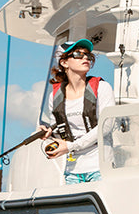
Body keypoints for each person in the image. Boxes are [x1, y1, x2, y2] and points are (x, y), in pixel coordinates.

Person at [40, 38, 115, 184]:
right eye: (78, 54)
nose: (85, 57)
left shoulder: (102, 87)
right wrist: (48, 134)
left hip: (100, 168)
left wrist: (72, 146)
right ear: (64, 62)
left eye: (88, 55)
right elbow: (60, 133)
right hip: (72, 171)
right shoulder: (55, 96)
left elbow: (106, 126)